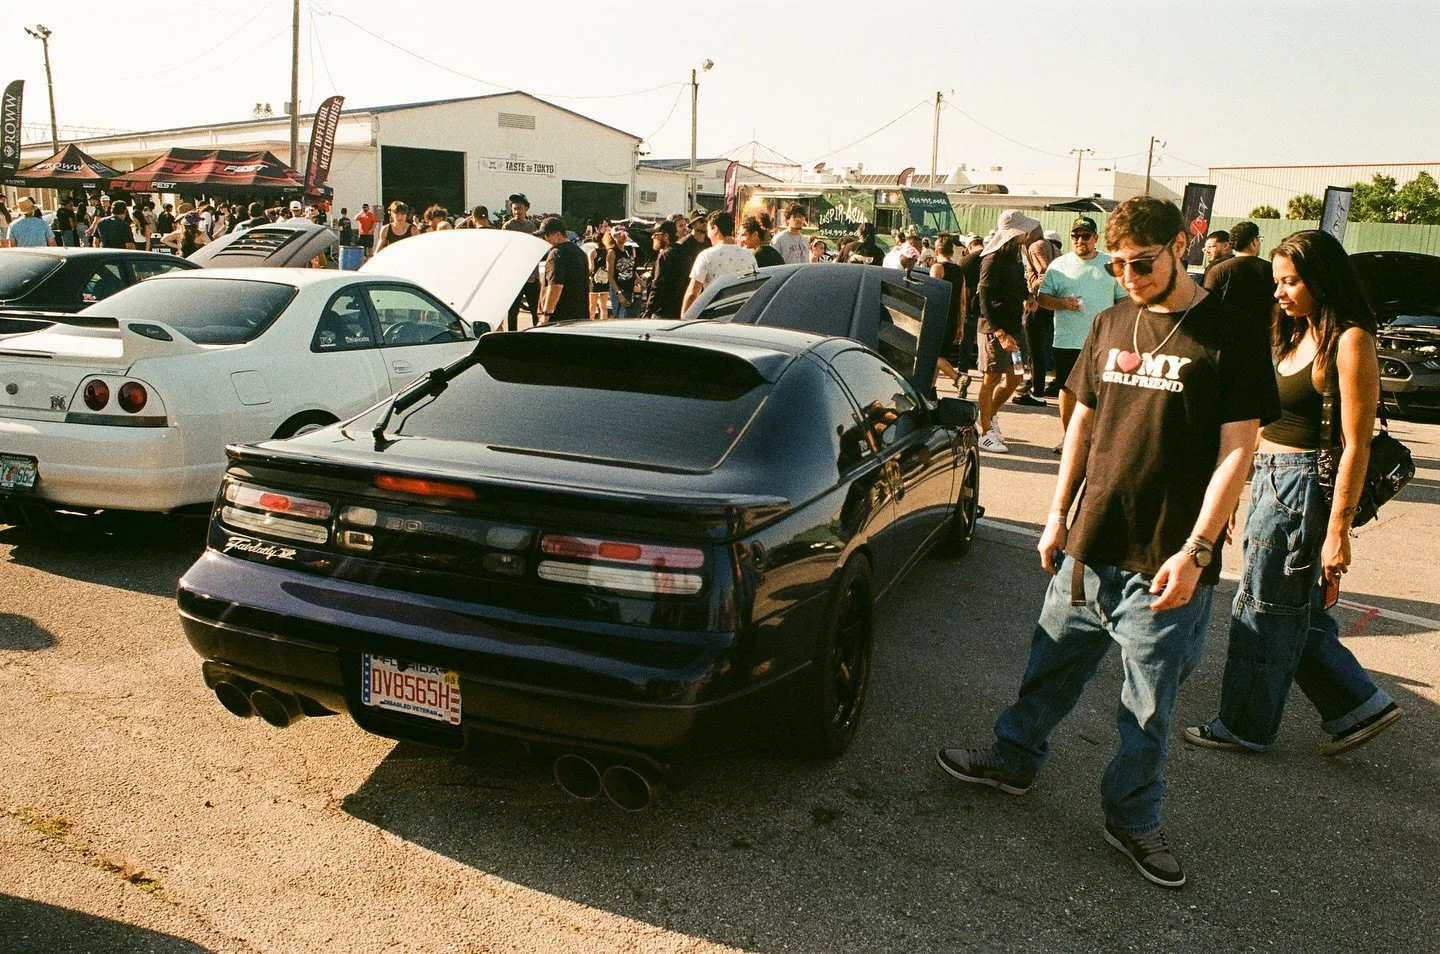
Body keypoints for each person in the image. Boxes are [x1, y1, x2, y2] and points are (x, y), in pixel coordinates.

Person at [936, 196, 1279, 891]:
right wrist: (1058, 514)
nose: (1129, 276)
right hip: (1091, 545)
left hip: (1167, 560)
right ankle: (1013, 760)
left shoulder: (1228, 332)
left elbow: (1237, 453)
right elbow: (1082, 429)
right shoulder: (1111, 322)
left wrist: (1200, 550)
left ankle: (1131, 816)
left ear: (1179, 248)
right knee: (1049, 665)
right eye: (1119, 264)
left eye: (1141, 262)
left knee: (1148, 707)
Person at [1186, 229, 1401, 757]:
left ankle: (1244, 725)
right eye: (1277, 281)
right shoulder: (1291, 333)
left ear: (1322, 280)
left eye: (1291, 281)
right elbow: (1261, 422)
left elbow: (1356, 445)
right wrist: (1235, 491)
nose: (1279, 292)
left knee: (1262, 607)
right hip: (1267, 478)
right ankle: (1359, 706)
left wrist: (1338, 534)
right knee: (1290, 608)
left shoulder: (1349, 340)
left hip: (1300, 488)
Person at [1036, 216, 1127, 453]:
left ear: (1096, 239)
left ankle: (1096, 440)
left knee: (1103, 391)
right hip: (1068, 339)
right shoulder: (1058, 265)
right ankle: (1069, 437)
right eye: (1075, 236)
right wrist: (1063, 303)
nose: (1080, 241)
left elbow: (1124, 300)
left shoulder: (1110, 265)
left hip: (1104, 340)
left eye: (1085, 236)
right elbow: (1042, 299)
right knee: (1068, 389)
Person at [974, 210, 1039, 452]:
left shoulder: (1015, 256)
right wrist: (999, 332)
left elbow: (1019, 285)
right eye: (1024, 230)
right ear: (1015, 233)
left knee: (1017, 377)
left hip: (1014, 328)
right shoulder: (991, 259)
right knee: (991, 378)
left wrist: (1028, 296)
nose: (1027, 233)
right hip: (995, 331)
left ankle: (989, 417)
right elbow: (984, 298)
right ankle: (985, 432)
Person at [681, 211, 757, 314]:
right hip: (742, 314)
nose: (708, 235)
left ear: (715, 228)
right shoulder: (749, 255)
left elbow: (693, 293)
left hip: (715, 315)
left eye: (708, 229)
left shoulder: (706, 256)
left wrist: (684, 318)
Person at [1204, 220, 1275, 326]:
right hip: (1261, 334)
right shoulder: (1271, 269)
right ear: (1254, 241)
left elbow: (1207, 307)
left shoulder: (1217, 270)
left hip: (1225, 334)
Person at [536, 216, 589, 324]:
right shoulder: (580, 253)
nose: (544, 239)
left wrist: (546, 314)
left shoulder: (556, 254)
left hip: (558, 317)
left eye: (546, 235)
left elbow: (555, 286)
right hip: (579, 315)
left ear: (558, 234)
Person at [931, 235, 967, 389]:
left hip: (939, 318)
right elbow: (963, 300)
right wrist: (961, 325)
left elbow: (934, 294)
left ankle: (958, 377)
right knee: (940, 356)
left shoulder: (937, 268)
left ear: (936, 251)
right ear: (952, 252)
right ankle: (931, 389)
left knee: (932, 356)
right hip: (952, 318)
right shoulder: (959, 271)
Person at [643, 219, 685, 318]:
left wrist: (648, 311)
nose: (653, 238)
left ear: (666, 236)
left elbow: (658, 284)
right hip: (681, 308)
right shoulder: (684, 251)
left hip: (664, 311)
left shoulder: (665, 255)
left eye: (656, 235)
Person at [607, 227, 638, 317]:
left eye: (624, 233)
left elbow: (632, 268)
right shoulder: (612, 252)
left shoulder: (630, 249)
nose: (623, 235)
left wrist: (638, 279)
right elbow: (610, 277)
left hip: (631, 288)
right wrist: (619, 293)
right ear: (614, 237)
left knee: (632, 316)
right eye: (619, 234)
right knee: (621, 316)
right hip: (619, 288)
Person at [589, 231, 613, 320]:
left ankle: (590, 321)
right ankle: (603, 322)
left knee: (592, 306)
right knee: (603, 306)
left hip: (594, 280)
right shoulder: (608, 252)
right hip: (605, 279)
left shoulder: (592, 252)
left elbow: (591, 268)